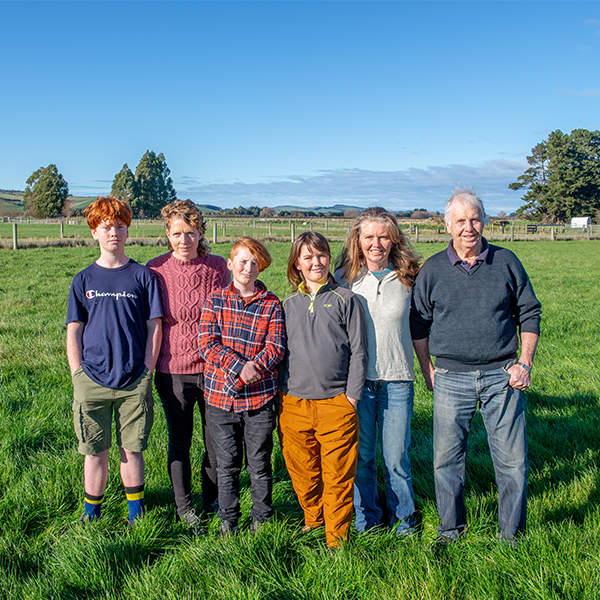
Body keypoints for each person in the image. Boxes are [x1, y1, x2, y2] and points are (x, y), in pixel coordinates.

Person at [410, 188, 541, 546]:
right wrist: (429, 371)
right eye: (460, 221)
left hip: (503, 376)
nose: (469, 227)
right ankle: (450, 530)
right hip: (451, 376)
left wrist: (524, 363)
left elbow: (529, 311)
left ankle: (511, 536)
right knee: (446, 462)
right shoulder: (433, 269)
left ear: (484, 221)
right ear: (447, 225)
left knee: (512, 463)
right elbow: (418, 323)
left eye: (475, 219)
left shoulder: (507, 261)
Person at [66, 196, 163, 525]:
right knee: (94, 451)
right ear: (94, 232)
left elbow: (154, 327)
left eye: (120, 227)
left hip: (134, 378)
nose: (114, 234)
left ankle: (136, 515)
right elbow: (74, 331)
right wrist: (77, 373)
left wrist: (147, 371)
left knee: (132, 449)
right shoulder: (83, 280)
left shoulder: (142, 276)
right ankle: (91, 514)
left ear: (127, 230)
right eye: (106, 227)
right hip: (90, 379)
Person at [335, 207, 421, 535]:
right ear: (358, 240)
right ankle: (366, 520)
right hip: (358, 383)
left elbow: (423, 327)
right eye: (369, 236)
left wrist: (429, 370)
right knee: (363, 456)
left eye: (383, 236)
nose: (376, 243)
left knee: (396, 458)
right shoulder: (345, 278)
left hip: (398, 379)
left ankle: (404, 522)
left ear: (393, 239)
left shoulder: (410, 276)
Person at [279, 231, 367, 548]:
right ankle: (313, 520)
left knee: (338, 475)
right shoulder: (286, 304)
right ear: (297, 264)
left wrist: (351, 398)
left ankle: (336, 537)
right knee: (303, 471)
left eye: (322, 255)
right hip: (294, 403)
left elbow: (359, 352)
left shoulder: (348, 300)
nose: (316, 262)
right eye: (308, 257)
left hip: (337, 404)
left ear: (329, 258)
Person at [147, 200, 230, 534]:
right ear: (167, 234)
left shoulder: (217, 267)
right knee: (179, 441)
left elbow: (229, 313)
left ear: (200, 233)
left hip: (213, 370)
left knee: (217, 442)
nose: (184, 240)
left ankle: (212, 499)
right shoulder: (154, 270)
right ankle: (185, 508)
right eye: (177, 233)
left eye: (190, 233)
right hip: (172, 371)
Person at [198, 238, 285, 534]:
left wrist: (255, 369)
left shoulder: (271, 303)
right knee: (227, 464)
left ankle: (261, 518)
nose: (248, 268)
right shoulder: (216, 300)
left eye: (254, 263)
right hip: (221, 398)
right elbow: (208, 344)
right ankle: (229, 519)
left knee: (259, 463)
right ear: (230, 264)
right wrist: (239, 368)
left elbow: (276, 346)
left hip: (260, 398)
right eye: (243, 261)